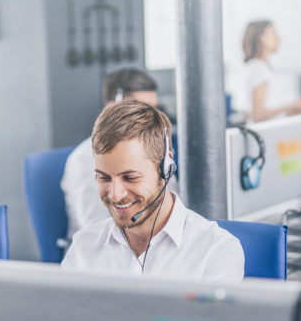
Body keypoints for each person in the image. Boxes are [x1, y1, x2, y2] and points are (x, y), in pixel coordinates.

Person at [61, 100, 244, 281]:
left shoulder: (215, 252)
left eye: (130, 177)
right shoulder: (83, 248)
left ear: (165, 168)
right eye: (104, 177)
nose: (115, 194)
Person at [61, 67, 168, 239]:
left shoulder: (155, 150)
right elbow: (96, 231)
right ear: (113, 108)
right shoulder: (84, 160)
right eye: (140, 111)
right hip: (102, 255)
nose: (150, 121)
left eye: (154, 111)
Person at [233, 20, 301, 122]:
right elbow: (258, 116)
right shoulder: (258, 68)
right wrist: (291, 106)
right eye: (273, 33)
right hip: (264, 134)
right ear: (261, 37)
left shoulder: (264, 67)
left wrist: (294, 109)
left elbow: (271, 110)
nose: (278, 38)